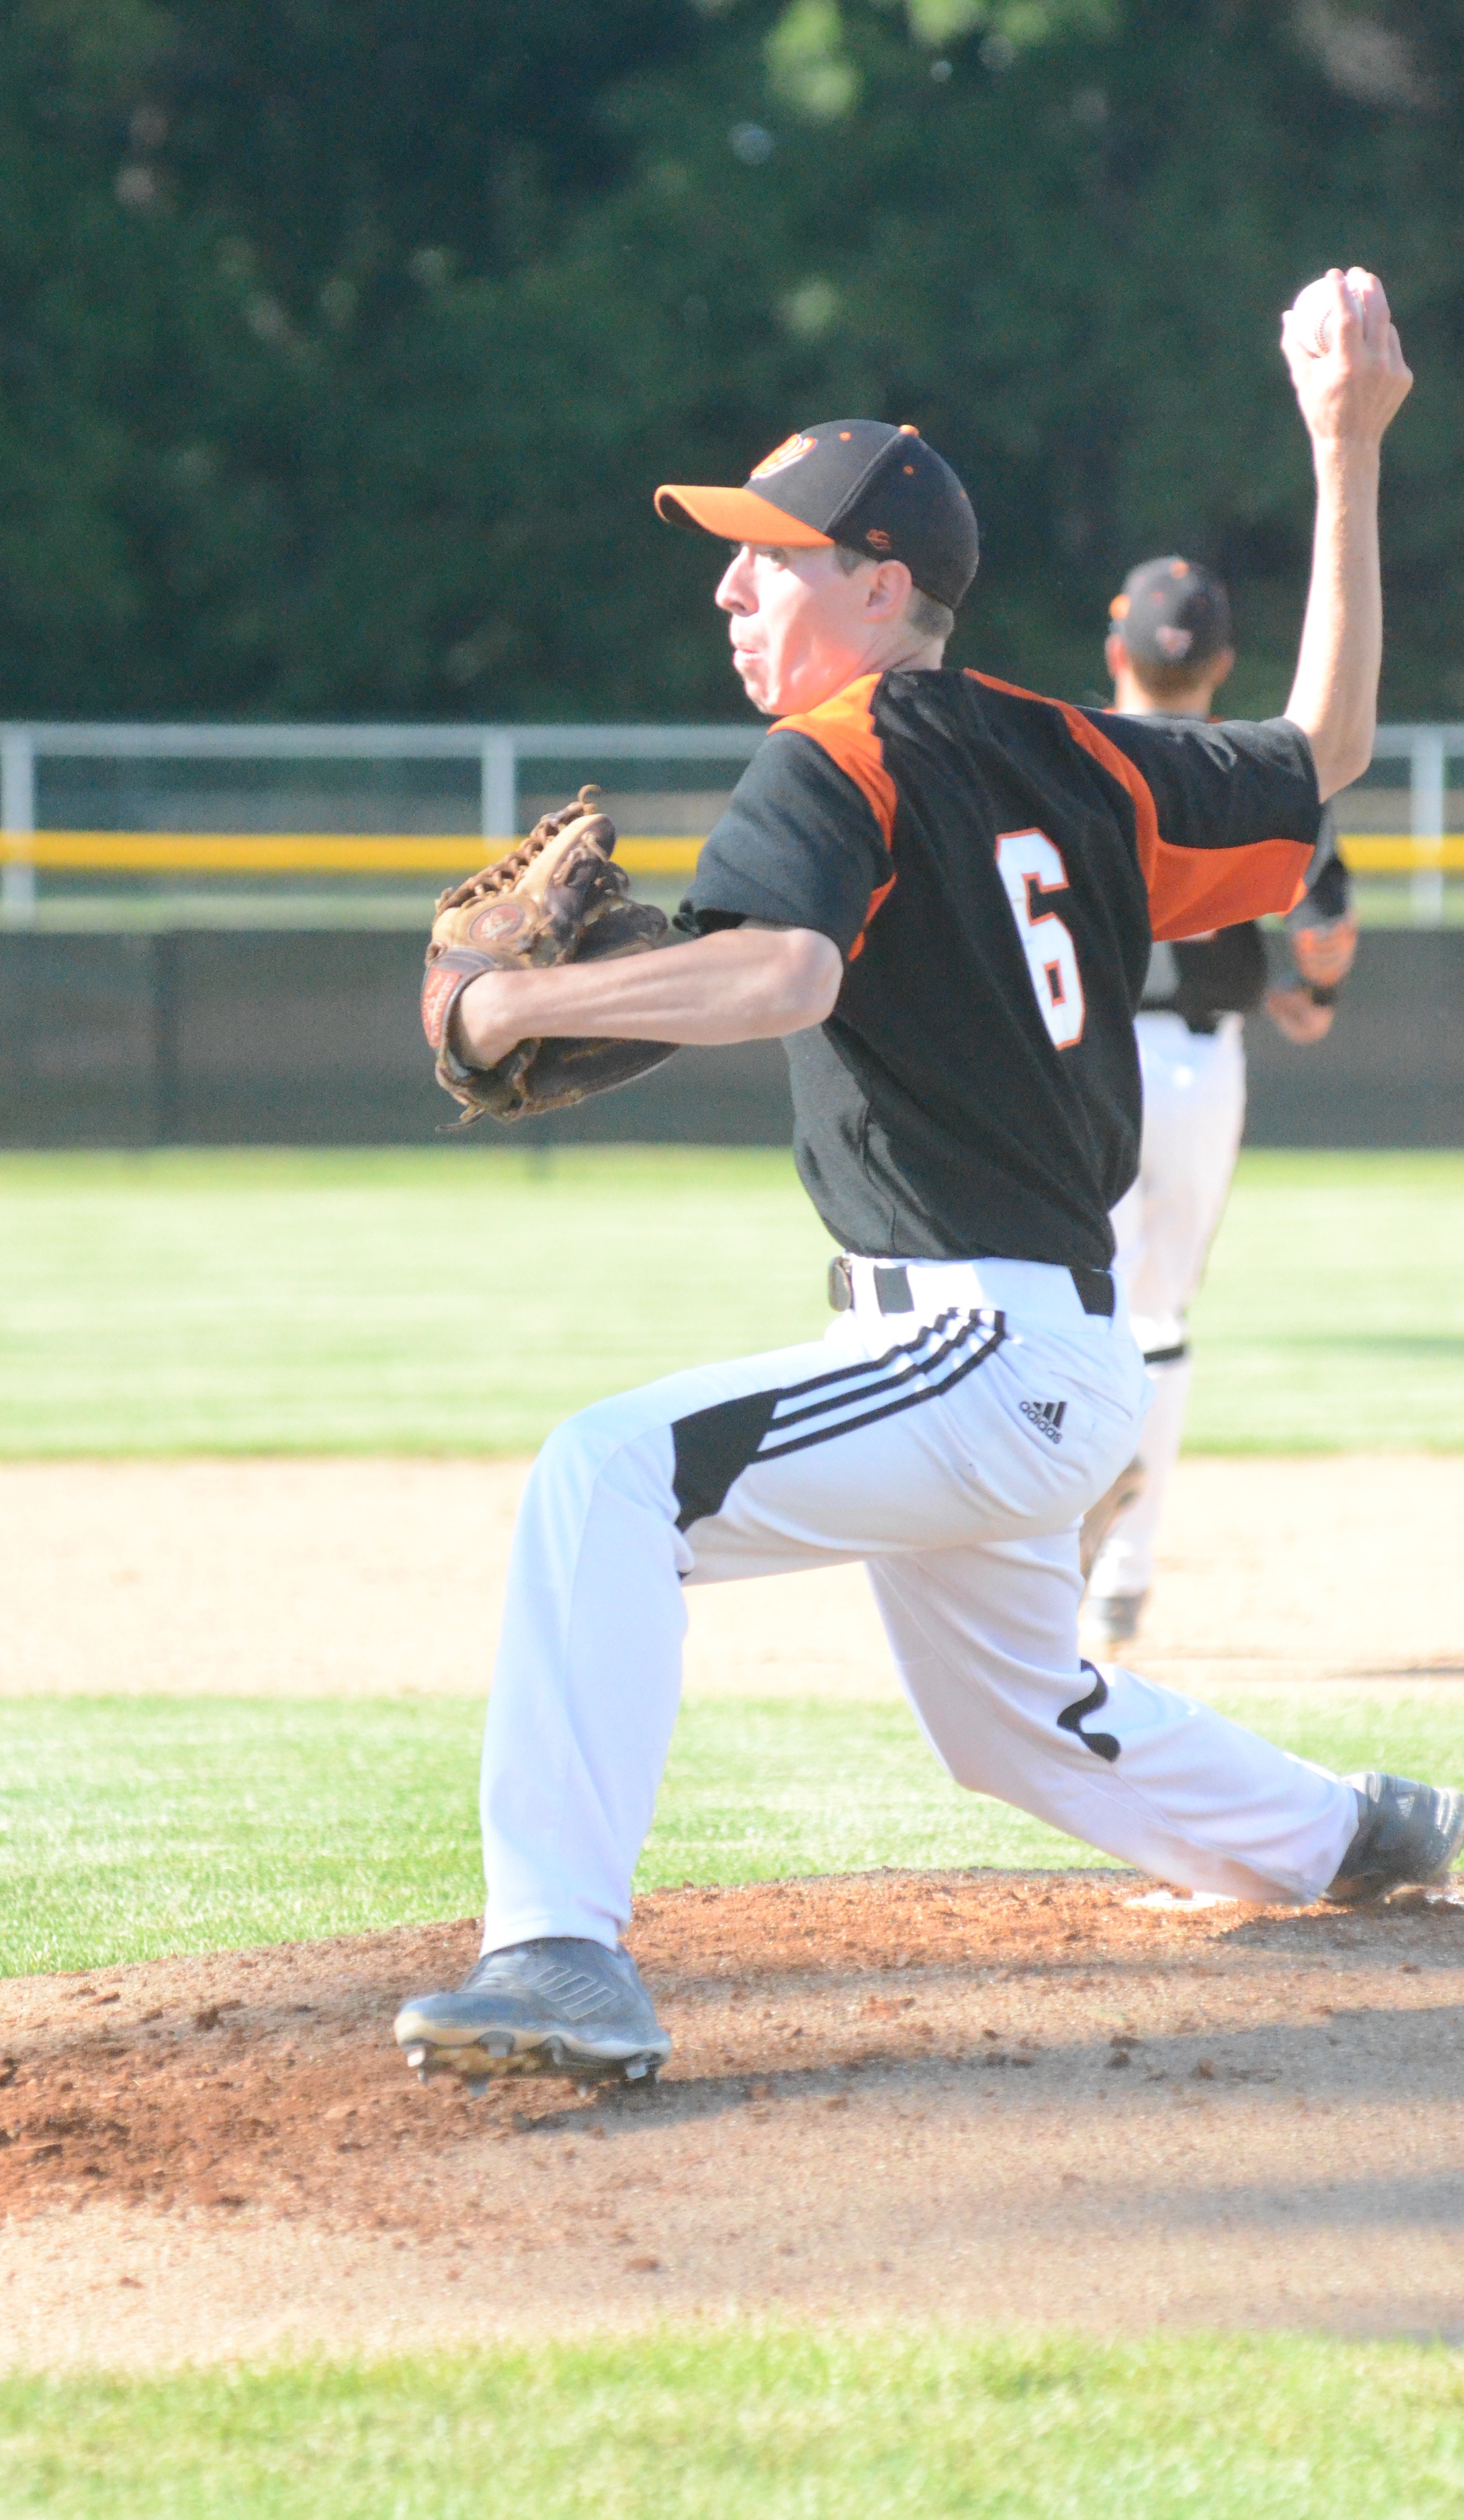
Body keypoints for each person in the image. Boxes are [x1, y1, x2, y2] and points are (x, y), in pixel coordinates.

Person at [396, 272, 1454, 2091]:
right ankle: (1361, 1829)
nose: (734, 584)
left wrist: (512, 998)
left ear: (880, 583)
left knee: (606, 1473)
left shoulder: (837, 748)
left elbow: (787, 974)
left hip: (976, 1345)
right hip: (1046, 1357)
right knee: (1012, 1725)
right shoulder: (1076, 750)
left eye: (773, 555)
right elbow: (1327, 754)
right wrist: (1345, 450)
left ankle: (558, 1949)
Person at [1080, 558, 1361, 1651]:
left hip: (1084, 1060)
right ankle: (1126, 1577)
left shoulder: (1071, 754)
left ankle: (1060, 1542)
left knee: (1080, 1302)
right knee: (1160, 1317)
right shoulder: (1260, 770)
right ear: (1226, 664)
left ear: (1118, 655)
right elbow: (1323, 925)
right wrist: (1310, 988)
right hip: (1201, 1067)